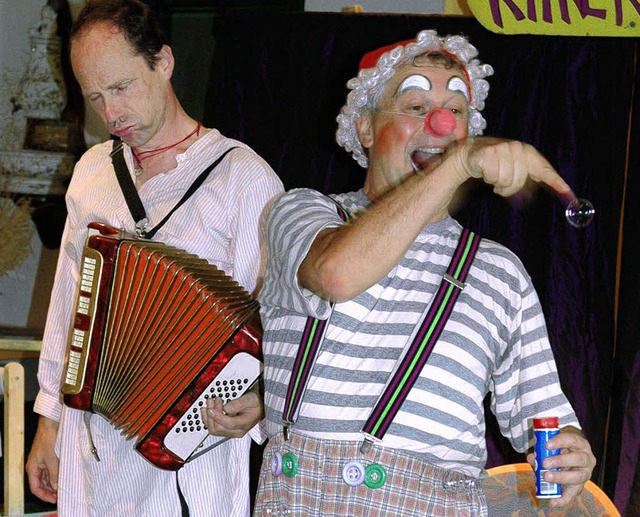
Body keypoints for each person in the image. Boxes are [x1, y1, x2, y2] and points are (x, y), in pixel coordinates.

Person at [254, 29, 596, 515]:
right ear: (366, 127)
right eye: (415, 107)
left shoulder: (500, 272)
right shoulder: (302, 214)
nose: (439, 124)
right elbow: (335, 274)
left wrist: (571, 452)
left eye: (455, 112)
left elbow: (547, 418)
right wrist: (457, 167)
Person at [25, 1, 283, 515]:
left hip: (192, 448)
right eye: (95, 97)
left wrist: (261, 401)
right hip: (90, 440)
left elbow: (278, 321)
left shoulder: (244, 178)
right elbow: (66, 306)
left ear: (163, 62)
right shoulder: (93, 171)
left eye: (121, 88)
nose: (112, 113)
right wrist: (48, 419)